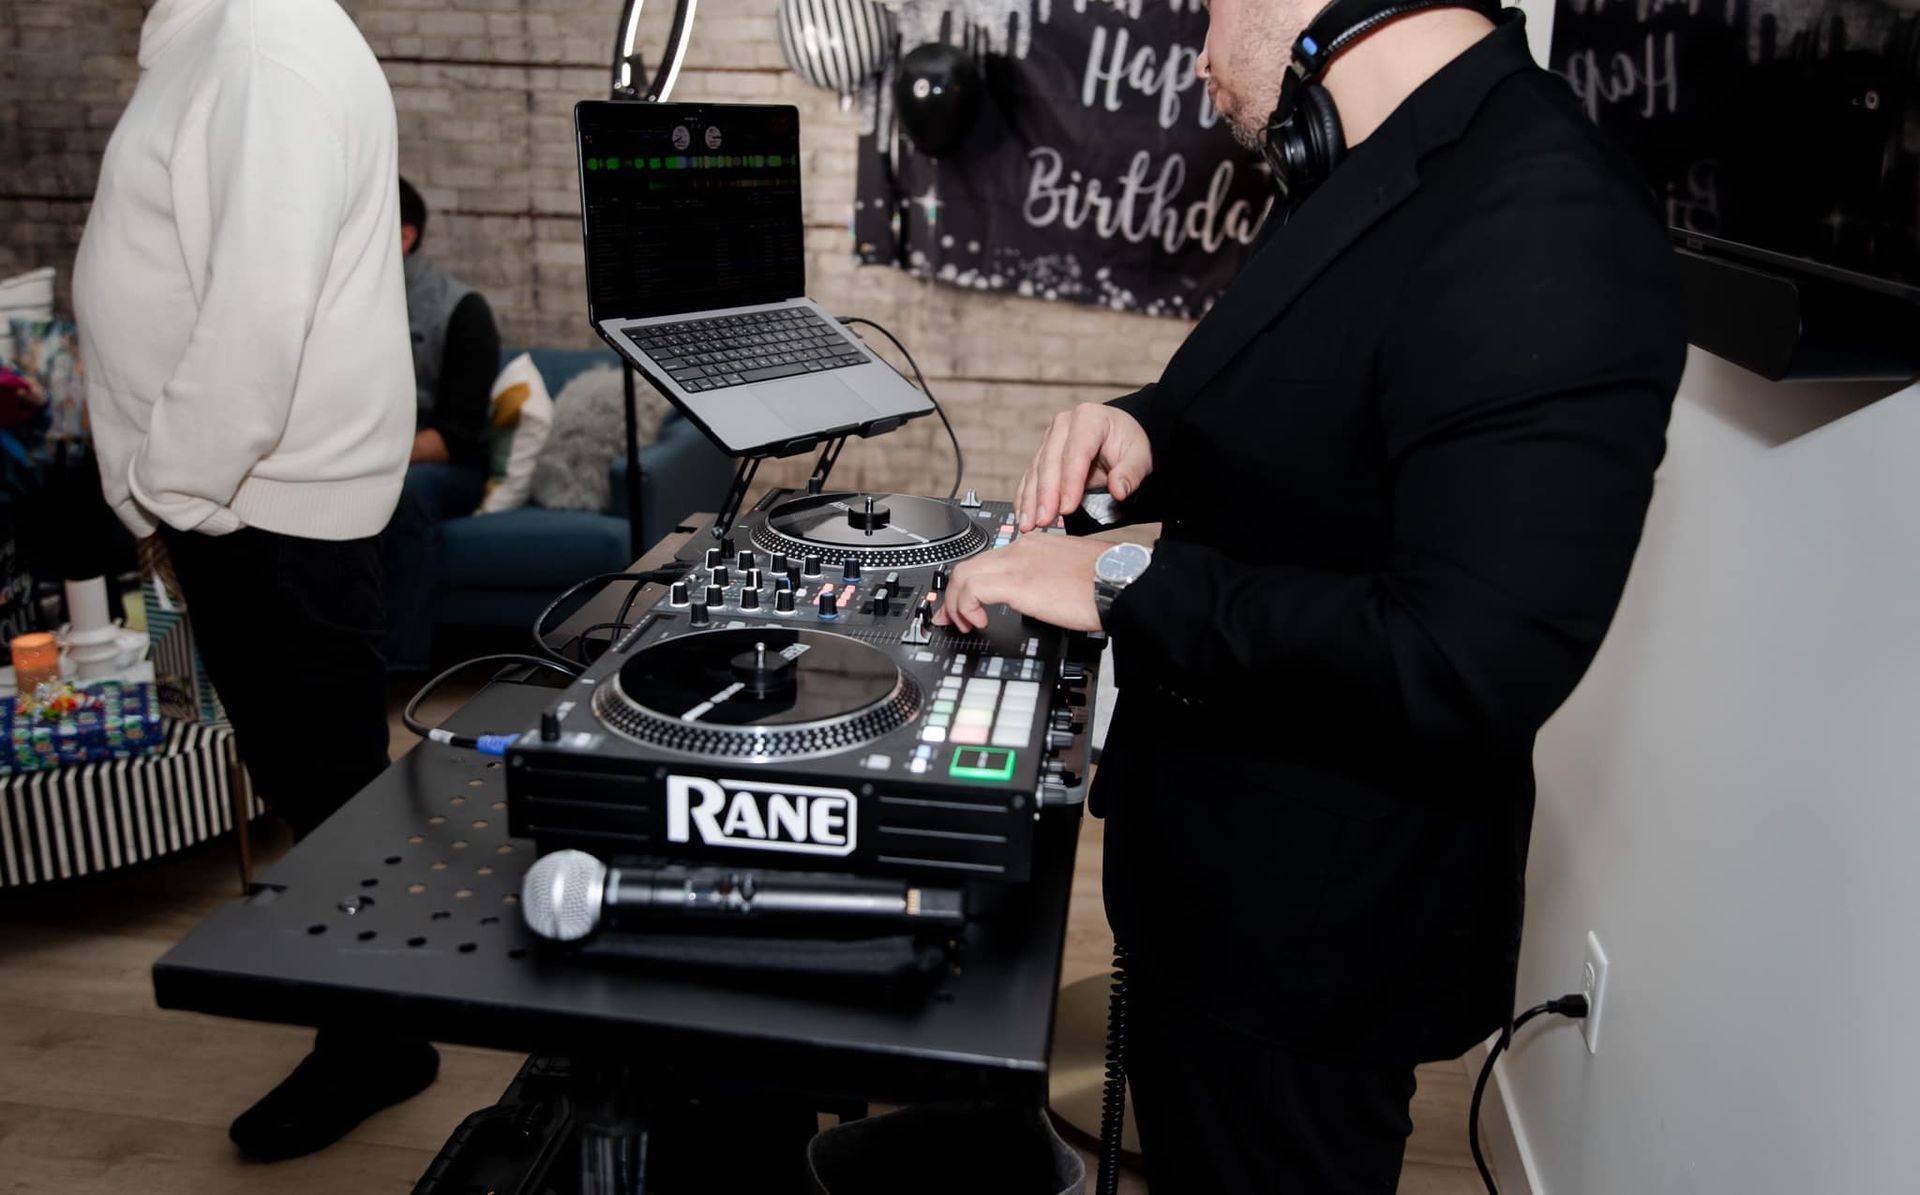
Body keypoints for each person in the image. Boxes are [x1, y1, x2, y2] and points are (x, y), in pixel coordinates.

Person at [934, 0, 1687, 1189]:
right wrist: (1146, 428)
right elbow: (1311, 408)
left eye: (1209, 6)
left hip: (1310, 949)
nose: (1197, 57)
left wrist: (1125, 577)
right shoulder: (1386, 159)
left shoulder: (1548, 215)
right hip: (1214, 897)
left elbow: (1460, 658)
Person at [74, 0, 438, 1162]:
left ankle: (377, 1041)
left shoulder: (263, 43)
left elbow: (258, 307)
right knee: (318, 788)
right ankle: (377, 1024)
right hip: (241, 499)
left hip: (255, 500)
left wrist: (168, 488)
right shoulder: (228, 38)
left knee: (327, 797)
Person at [383, 177, 501, 672]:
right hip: (357, 459)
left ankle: (396, 667)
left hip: (445, 467)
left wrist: (367, 458)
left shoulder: (460, 309)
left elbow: (453, 437)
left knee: (405, 492)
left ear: (405, 236)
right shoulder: (335, 304)